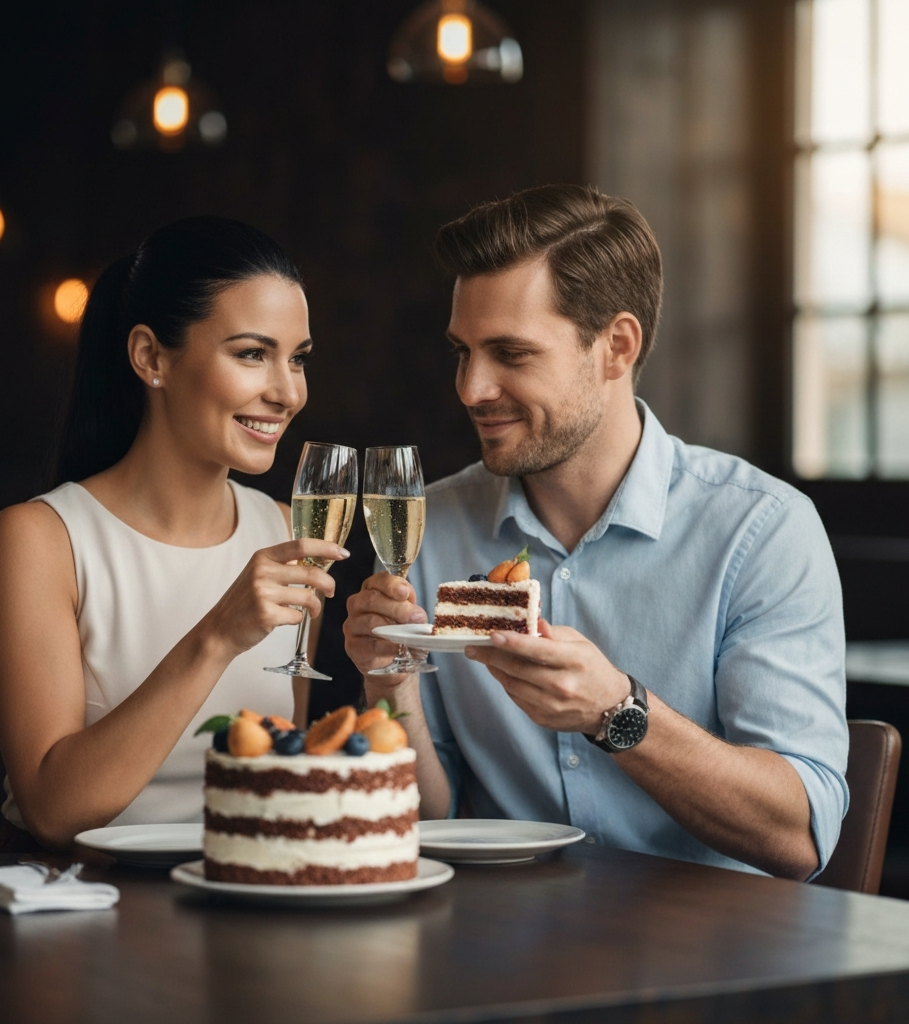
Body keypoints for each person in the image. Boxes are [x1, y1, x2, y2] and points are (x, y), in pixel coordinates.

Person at [344, 185, 847, 881]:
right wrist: (389, 683)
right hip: (490, 954)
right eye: (463, 351)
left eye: (511, 354)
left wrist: (618, 712)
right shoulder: (426, 529)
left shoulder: (761, 532)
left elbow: (798, 837)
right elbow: (431, 817)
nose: (470, 387)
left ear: (616, 346)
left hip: (714, 961)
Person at [0, 217, 348, 850]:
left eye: (299, 359)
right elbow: (52, 809)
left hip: (250, 902)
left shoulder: (284, 527)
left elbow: (284, 775)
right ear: (151, 357)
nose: (287, 392)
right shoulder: (38, 541)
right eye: (253, 353)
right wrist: (216, 637)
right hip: (83, 915)